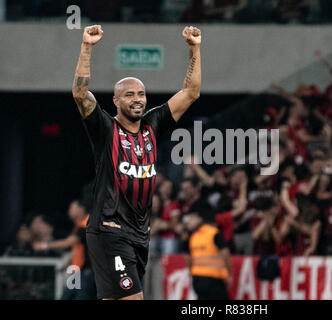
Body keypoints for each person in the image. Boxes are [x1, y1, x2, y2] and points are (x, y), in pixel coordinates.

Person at [71, 24, 202, 300]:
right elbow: (81, 95)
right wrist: (87, 48)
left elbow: (190, 93)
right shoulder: (105, 129)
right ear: (116, 101)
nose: (137, 99)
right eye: (129, 95)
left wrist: (194, 49)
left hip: (140, 235)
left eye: (141, 94)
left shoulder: (153, 125)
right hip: (110, 231)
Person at [33, 200, 96, 300]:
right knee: (67, 296)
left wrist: (43, 245)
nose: (69, 211)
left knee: (80, 297)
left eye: (72, 208)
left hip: (88, 271)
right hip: (79, 271)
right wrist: (67, 264)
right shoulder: (79, 226)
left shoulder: (87, 224)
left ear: (81, 209)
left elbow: (67, 242)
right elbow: (78, 251)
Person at [183, 201, 232, 300]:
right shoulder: (214, 233)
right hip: (214, 279)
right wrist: (229, 274)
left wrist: (191, 271)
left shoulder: (193, 236)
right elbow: (225, 253)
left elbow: (188, 258)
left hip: (197, 279)